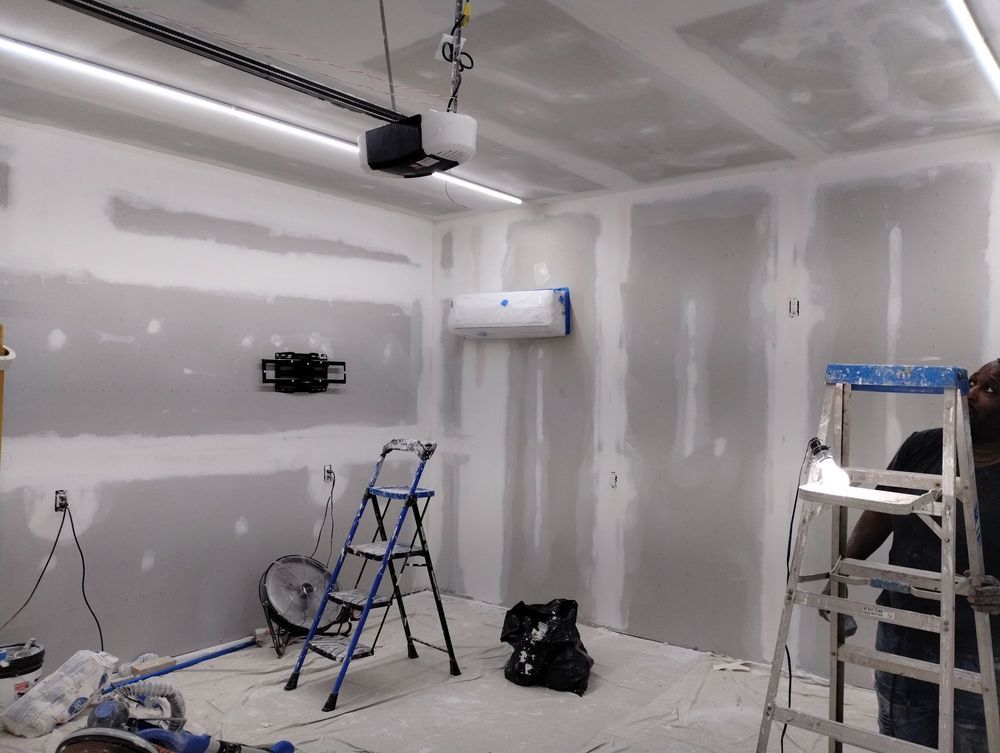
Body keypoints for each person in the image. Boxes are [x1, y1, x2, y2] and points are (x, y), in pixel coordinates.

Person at [832, 360, 1000, 751]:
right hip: (905, 627)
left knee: (976, 740)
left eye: (989, 390)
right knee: (904, 738)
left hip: (981, 643)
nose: (969, 394)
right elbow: (880, 514)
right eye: (971, 382)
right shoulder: (923, 445)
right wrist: (840, 572)